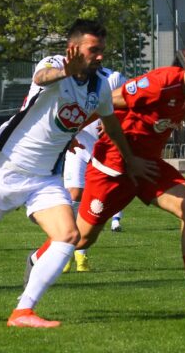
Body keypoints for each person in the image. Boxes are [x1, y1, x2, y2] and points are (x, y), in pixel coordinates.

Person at [0, 19, 154, 328]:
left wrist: (129, 158)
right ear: (73, 49)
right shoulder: (53, 65)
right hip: (8, 169)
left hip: (45, 178)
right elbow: (42, 76)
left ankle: (22, 311)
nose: (100, 57)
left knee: (68, 236)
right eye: (94, 50)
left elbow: (111, 123)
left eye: (102, 50)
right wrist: (66, 70)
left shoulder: (100, 86)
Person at [27, 38, 185, 313]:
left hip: (148, 166)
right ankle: (37, 258)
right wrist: (70, 135)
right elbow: (107, 101)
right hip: (113, 167)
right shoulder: (160, 82)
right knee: (80, 239)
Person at [61, 66, 127, 273]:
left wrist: (113, 122)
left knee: (96, 200)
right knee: (74, 193)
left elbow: (128, 106)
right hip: (78, 144)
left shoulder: (113, 78)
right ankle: (65, 251)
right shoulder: (69, 79)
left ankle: (80, 254)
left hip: (104, 148)